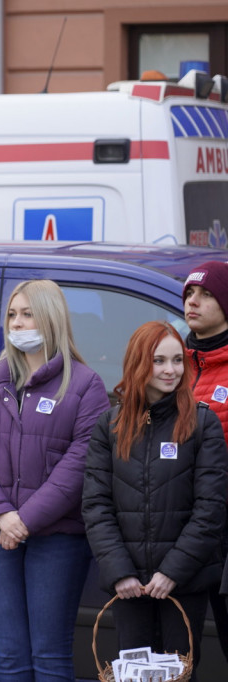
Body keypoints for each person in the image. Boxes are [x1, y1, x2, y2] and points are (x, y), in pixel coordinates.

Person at [0, 279, 109, 681]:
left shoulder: (85, 385)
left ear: (51, 317)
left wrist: (25, 520)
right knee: (9, 656)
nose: (18, 323)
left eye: (28, 314)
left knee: (50, 656)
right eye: (12, 315)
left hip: (57, 538)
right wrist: (3, 515)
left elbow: (81, 462)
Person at [83, 321, 227, 678]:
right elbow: (96, 505)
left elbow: (210, 508)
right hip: (128, 586)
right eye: (159, 360)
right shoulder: (109, 426)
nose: (170, 370)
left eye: (177, 360)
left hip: (183, 583)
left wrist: (171, 573)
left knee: (179, 674)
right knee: (133, 676)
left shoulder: (202, 423)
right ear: (138, 363)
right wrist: (120, 572)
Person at [181, 260, 228, 661]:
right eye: (189, 294)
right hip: (184, 528)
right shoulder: (172, 364)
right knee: (182, 652)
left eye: (206, 294)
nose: (193, 302)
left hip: (224, 527)